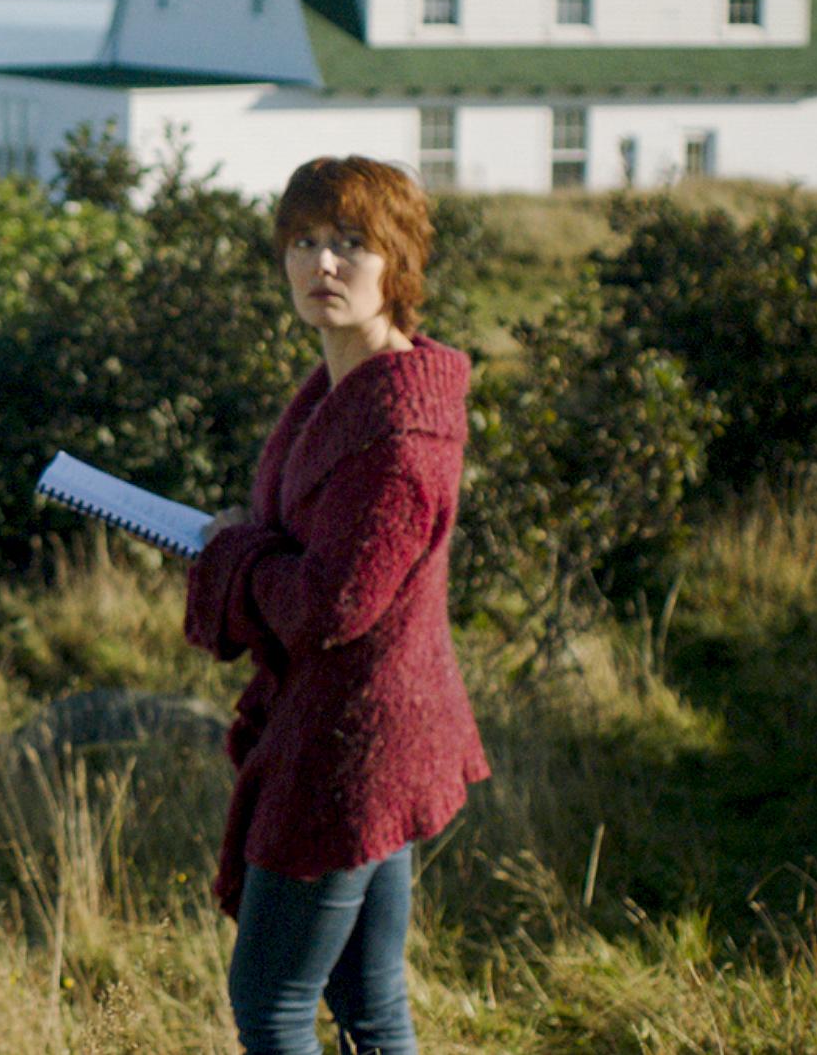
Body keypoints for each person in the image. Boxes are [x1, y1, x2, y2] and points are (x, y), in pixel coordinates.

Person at [184, 155, 490, 1055]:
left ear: (398, 263)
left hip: (351, 746)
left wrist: (233, 552)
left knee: (273, 1008)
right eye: (305, 241)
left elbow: (332, 604)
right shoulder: (340, 387)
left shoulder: (399, 430)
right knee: (371, 1005)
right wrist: (249, 549)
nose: (322, 264)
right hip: (374, 724)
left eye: (351, 243)